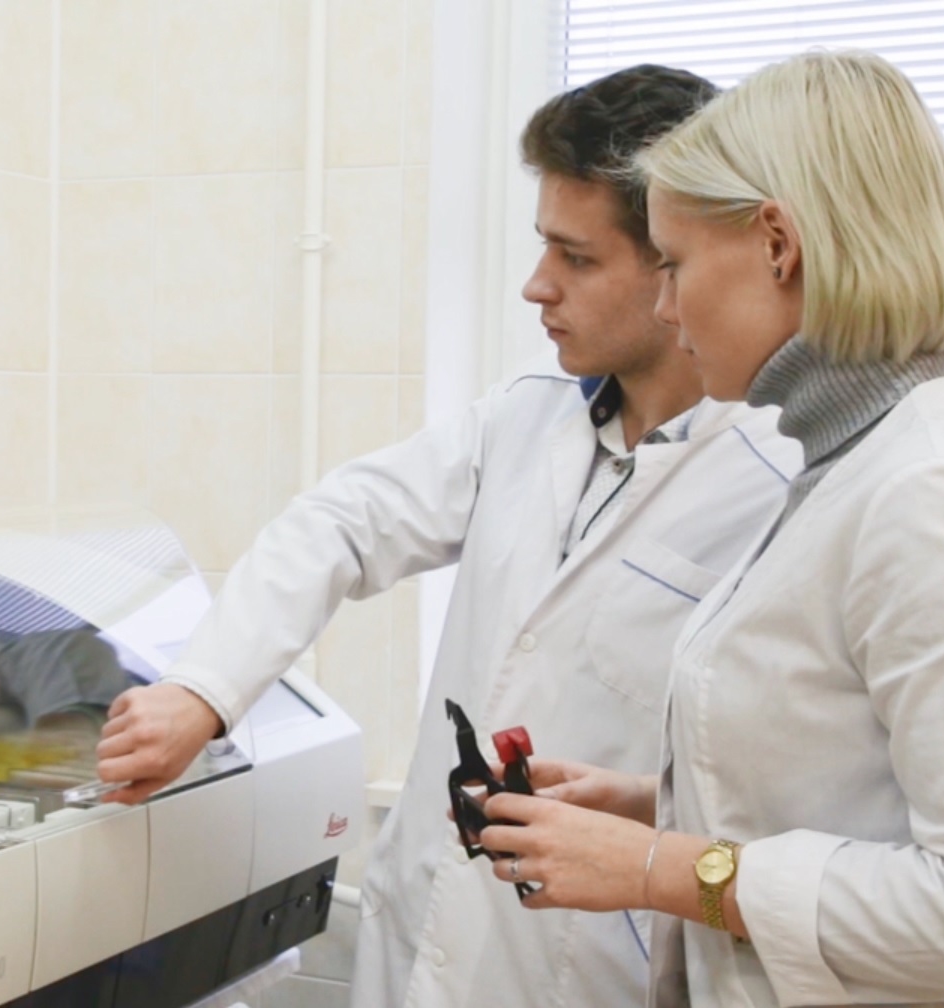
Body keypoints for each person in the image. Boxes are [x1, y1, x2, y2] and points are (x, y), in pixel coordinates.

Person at [92, 65, 802, 1007]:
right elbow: (342, 523)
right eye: (543, 247)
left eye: (577, 259)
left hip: (593, 964)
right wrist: (204, 692)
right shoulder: (525, 417)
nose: (537, 287)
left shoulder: (778, 476)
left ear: (674, 260)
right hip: (426, 932)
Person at [472, 50, 944, 1007]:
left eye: (674, 264)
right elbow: (859, 784)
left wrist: (663, 868)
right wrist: (657, 805)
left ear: (777, 245)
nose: (666, 305)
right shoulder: (847, 460)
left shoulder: (936, 496)